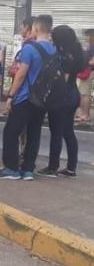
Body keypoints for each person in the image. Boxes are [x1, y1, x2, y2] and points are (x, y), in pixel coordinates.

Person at [0, 15, 55, 181]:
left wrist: (10, 96)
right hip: (43, 98)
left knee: (11, 131)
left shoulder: (30, 48)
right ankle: (28, 169)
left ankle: (11, 168)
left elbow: (21, 75)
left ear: (36, 28)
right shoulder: (55, 50)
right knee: (34, 133)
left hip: (25, 97)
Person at [37, 25, 87, 178]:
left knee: (56, 132)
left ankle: (53, 167)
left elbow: (61, 79)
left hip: (62, 97)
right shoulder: (77, 52)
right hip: (73, 94)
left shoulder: (64, 56)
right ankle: (71, 168)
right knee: (68, 132)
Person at [76, 28, 94, 123]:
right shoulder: (89, 46)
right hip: (85, 72)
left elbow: (92, 61)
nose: (86, 37)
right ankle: (82, 113)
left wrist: (86, 64)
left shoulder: (92, 47)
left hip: (88, 72)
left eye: (87, 35)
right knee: (83, 94)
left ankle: (85, 115)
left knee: (85, 94)